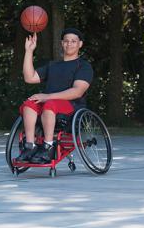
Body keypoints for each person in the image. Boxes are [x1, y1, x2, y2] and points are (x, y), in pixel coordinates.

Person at [16, 28, 93, 164]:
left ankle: (48, 147)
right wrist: (29, 51)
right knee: (29, 103)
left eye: (73, 41)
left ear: (80, 44)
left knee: (49, 104)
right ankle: (29, 146)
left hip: (71, 107)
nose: (69, 44)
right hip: (48, 104)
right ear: (62, 43)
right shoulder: (53, 65)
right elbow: (29, 77)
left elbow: (77, 91)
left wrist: (48, 96)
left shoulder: (84, 66)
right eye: (66, 41)